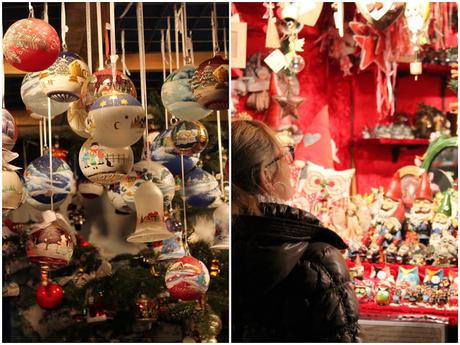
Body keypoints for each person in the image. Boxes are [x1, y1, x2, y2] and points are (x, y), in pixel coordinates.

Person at [232, 120, 361, 342]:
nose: (291, 163)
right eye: (284, 156)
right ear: (265, 176)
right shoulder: (319, 258)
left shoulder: (219, 248)